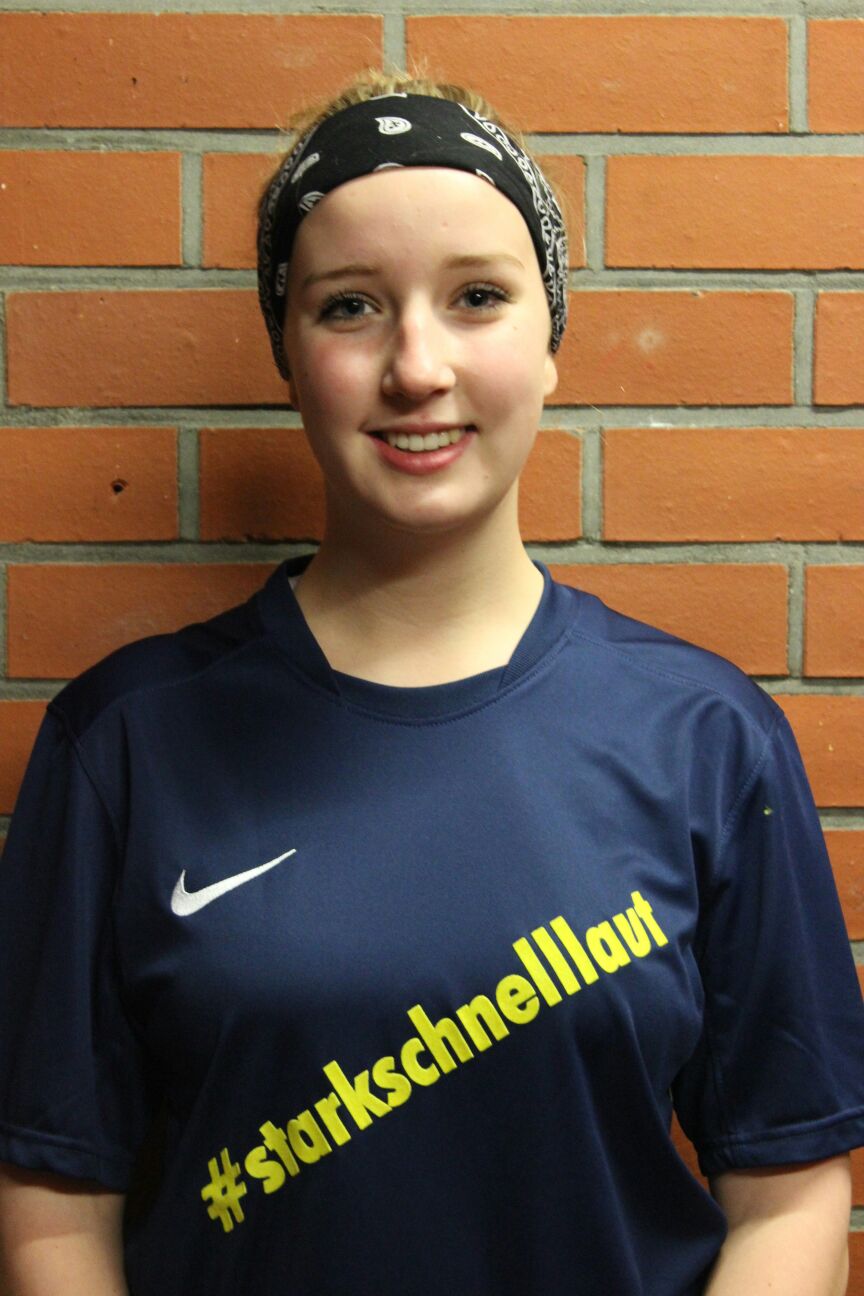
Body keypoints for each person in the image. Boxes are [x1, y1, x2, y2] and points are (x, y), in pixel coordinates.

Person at [0, 69, 862, 1296]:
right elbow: (53, 1210)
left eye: (477, 298)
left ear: (551, 344)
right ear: (289, 354)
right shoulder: (123, 744)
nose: (416, 365)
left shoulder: (707, 737)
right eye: (350, 305)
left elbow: (790, 1195)